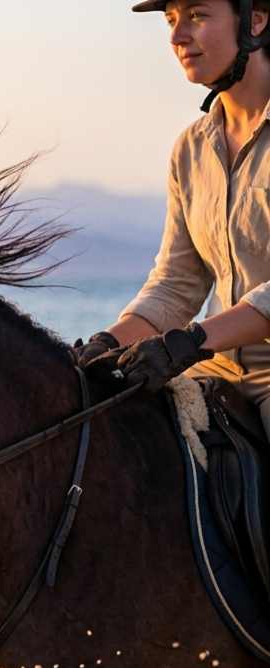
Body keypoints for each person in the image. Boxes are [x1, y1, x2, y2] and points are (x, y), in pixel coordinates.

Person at [76, 0, 270, 436]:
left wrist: (189, 342)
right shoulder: (191, 149)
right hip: (216, 370)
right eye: (171, 19)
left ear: (256, 18)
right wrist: (104, 345)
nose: (177, 36)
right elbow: (175, 284)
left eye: (197, 16)